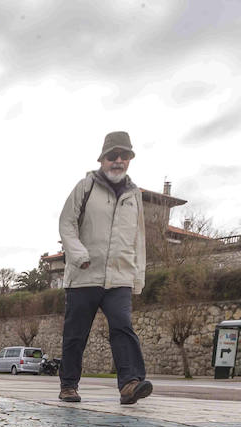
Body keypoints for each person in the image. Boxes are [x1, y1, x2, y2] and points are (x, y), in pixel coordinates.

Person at [56, 131, 153, 406]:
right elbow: (66, 223)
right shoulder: (85, 187)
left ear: (130, 160)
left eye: (124, 155)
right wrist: (77, 254)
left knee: (123, 327)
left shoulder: (134, 196)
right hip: (84, 274)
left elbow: (139, 238)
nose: (118, 160)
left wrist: (138, 278)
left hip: (119, 276)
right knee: (76, 334)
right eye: (113, 156)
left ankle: (130, 384)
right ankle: (69, 385)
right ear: (103, 159)